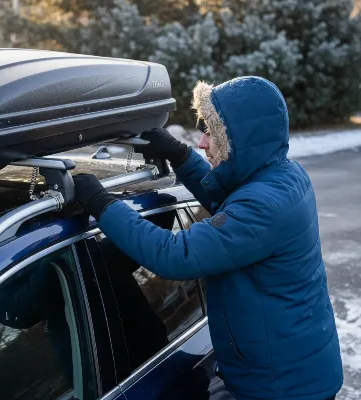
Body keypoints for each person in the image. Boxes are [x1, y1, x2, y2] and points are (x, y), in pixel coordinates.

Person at [73, 76, 343, 400]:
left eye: (212, 134)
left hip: (281, 388)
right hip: (292, 369)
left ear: (242, 141)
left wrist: (103, 205)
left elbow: (175, 254)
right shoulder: (281, 176)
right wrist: (179, 155)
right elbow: (230, 197)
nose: (203, 142)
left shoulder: (263, 207)